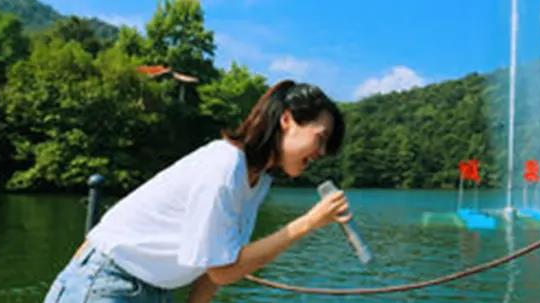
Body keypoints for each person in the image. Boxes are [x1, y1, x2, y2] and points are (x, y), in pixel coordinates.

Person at [42, 80, 349, 303]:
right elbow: (222, 271)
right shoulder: (225, 164)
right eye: (319, 139)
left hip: (155, 291)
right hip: (108, 281)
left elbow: (213, 268)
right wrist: (307, 223)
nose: (321, 152)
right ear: (287, 120)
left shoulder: (257, 182)